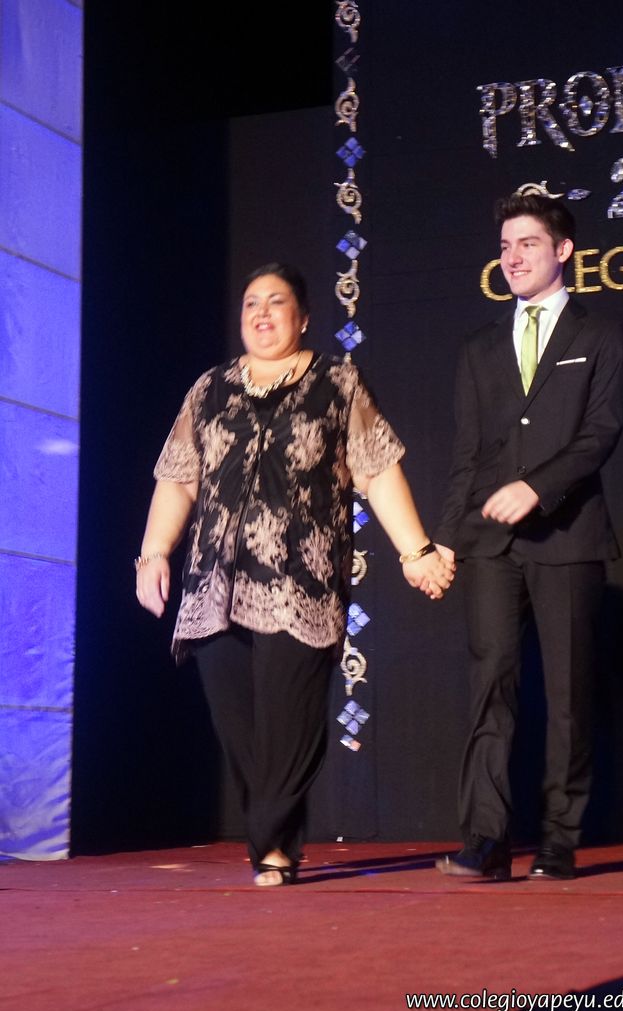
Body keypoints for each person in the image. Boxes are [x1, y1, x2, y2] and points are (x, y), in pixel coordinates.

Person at [136, 262, 454, 886]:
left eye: (276, 302)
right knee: (237, 723)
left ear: (303, 317)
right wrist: (154, 552)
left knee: (289, 719)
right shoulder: (210, 389)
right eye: (251, 303)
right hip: (215, 581)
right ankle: (274, 834)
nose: (261, 313)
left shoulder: (336, 382)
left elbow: (376, 470)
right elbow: (178, 477)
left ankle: (273, 847)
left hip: (300, 581)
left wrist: (415, 552)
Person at [434, 194, 623, 881]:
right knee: (490, 683)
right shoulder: (479, 347)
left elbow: (600, 434)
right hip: (491, 544)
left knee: (569, 694)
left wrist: (537, 488)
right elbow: (466, 458)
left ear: (563, 250)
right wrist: (446, 539)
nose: (512, 258)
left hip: (568, 536)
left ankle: (558, 842)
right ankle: (486, 842)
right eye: (505, 246)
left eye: (527, 244)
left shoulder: (600, 333)